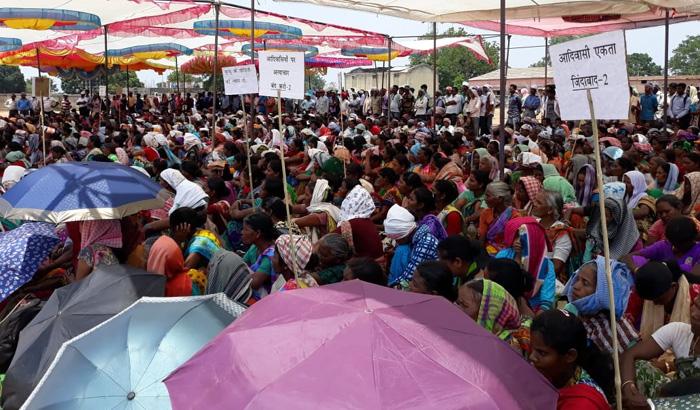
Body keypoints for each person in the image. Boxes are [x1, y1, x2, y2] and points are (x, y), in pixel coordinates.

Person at [620, 295, 700, 408]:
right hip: (675, 395)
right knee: (640, 367)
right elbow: (630, 354)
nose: (693, 313)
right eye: (695, 305)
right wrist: (628, 388)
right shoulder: (678, 331)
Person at [530, 309, 613, 409]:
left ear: (570, 355)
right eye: (533, 349)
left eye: (542, 353)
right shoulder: (557, 377)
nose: (532, 357)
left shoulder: (582, 405)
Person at [564, 256, 639, 354]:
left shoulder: (613, 330)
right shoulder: (571, 309)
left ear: (602, 292)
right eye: (577, 279)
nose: (575, 286)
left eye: (585, 283)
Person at [497, 216, 556, 312]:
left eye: (523, 237)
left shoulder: (546, 265)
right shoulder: (503, 255)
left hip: (532, 309)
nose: (517, 241)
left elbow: (546, 302)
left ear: (533, 239)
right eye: (515, 236)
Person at [455, 279, 526, 355]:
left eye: (464, 305)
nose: (455, 307)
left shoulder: (507, 350)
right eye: (458, 302)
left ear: (487, 314)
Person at [384, 204, 439, 289]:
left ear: (404, 235)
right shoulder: (416, 236)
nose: (396, 242)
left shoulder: (424, 244)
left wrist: (388, 288)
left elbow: (408, 277)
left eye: (397, 239)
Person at [336, 183, 383, 260]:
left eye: (348, 199)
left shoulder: (354, 223)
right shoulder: (366, 221)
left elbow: (328, 240)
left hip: (365, 268)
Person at [241, 212, 279, 299]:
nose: (242, 232)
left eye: (246, 230)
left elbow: (254, 283)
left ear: (258, 233)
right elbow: (242, 263)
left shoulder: (271, 256)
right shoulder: (254, 248)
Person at [479, 182, 521, 255]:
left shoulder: (515, 216)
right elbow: (482, 239)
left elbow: (514, 243)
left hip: (507, 253)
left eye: (488, 196)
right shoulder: (485, 213)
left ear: (499, 199)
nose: (484, 199)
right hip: (487, 251)